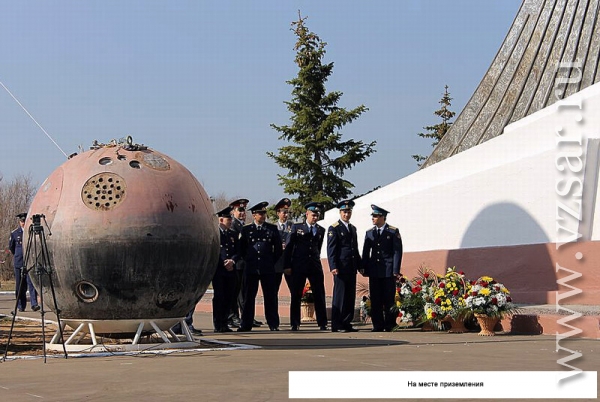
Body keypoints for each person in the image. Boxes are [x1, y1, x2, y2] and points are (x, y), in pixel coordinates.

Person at [237, 201, 283, 332]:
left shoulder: (271, 229)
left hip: (267, 268)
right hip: (251, 268)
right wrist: (248, 260)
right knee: (248, 298)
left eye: (264, 213)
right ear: (254, 215)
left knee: (270, 297)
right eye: (260, 213)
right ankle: (246, 324)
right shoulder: (246, 230)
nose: (263, 216)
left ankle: (273, 323)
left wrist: (270, 261)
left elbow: (278, 249)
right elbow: (242, 249)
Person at [285, 202, 328, 331]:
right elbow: (289, 247)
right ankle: (295, 322)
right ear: (307, 214)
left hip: (314, 265)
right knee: (296, 294)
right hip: (299, 265)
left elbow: (318, 247)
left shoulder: (320, 230)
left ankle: (322, 322)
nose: (315, 217)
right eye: (313, 215)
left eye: (317, 215)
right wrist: (287, 265)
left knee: (319, 294)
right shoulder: (297, 228)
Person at [361, 204, 403, 332]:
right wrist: (364, 268)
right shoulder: (370, 233)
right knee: (376, 299)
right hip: (375, 271)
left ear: (382, 217)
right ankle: (377, 325)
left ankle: (390, 324)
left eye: (375, 216)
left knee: (389, 299)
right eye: (372, 216)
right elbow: (365, 252)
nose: (373, 218)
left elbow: (397, 252)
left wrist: (395, 270)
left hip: (388, 271)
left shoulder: (392, 231)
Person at [327, 200, 362, 332]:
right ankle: (337, 324)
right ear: (340, 212)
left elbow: (355, 248)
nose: (346, 214)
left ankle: (347, 322)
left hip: (351, 267)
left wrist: (360, 265)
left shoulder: (352, 228)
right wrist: (333, 266)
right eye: (344, 212)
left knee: (349, 296)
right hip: (340, 267)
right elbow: (331, 249)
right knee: (340, 296)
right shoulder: (334, 228)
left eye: (348, 212)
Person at [212, 206, 240, 332]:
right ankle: (218, 324)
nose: (230, 221)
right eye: (228, 219)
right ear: (221, 220)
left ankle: (225, 322)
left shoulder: (233, 234)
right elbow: (214, 251)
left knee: (229, 297)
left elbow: (238, 251)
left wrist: (232, 260)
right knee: (219, 297)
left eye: (230, 219)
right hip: (219, 270)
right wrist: (223, 262)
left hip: (231, 270)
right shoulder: (215, 234)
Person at [8, 213, 40, 312]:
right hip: (19, 262)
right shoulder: (15, 233)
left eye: (24, 221)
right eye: (22, 221)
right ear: (19, 222)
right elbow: (12, 248)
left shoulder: (31, 232)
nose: (23, 223)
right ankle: (21, 305)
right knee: (20, 285)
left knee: (32, 284)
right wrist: (18, 256)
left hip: (30, 262)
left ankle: (34, 304)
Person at [227, 198, 249, 328]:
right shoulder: (233, 225)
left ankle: (245, 316)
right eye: (239, 210)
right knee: (236, 292)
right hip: (236, 263)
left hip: (244, 263)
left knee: (244, 292)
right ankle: (233, 316)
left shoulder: (243, 226)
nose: (242, 213)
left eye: (243, 210)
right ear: (233, 211)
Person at [273, 197, 294, 295]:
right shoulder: (273, 227)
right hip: (276, 263)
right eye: (283, 212)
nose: (286, 215)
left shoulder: (293, 226)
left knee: (294, 290)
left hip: (289, 263)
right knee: (273, 291)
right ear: (278, 213)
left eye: (287, 212)